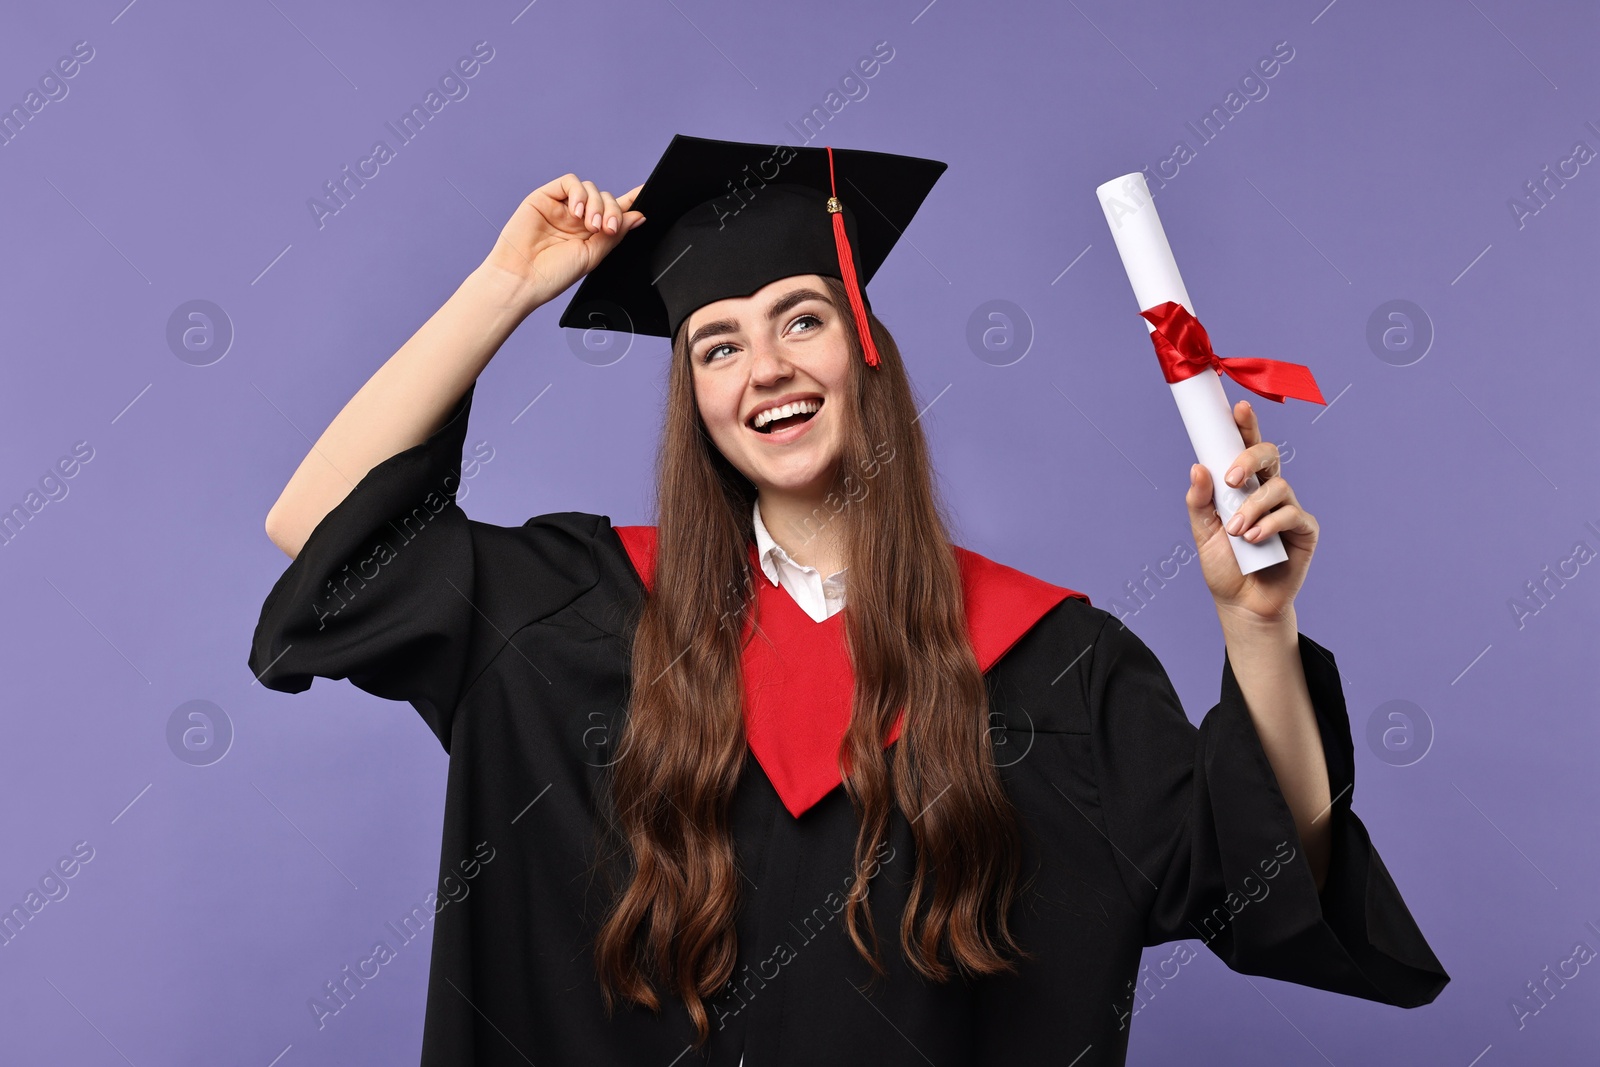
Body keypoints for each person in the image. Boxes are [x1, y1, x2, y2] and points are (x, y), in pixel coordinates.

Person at [250, 135, 1447, 1066]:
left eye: (800, 319)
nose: (763, 365)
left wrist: (1257, 626)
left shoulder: (1053, 662)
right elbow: (324, 530)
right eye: (715, 345)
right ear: (696, 405)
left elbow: (1261, 872)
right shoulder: (579, 611)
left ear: (864, 350)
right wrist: (505, 283)